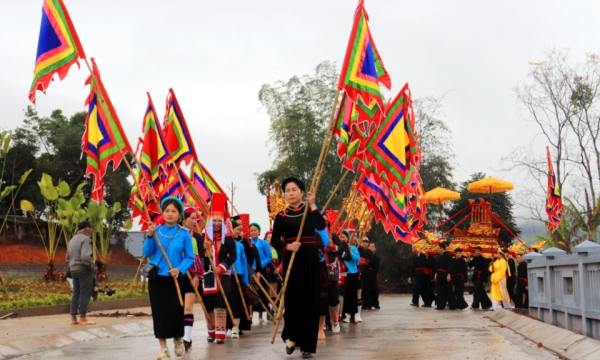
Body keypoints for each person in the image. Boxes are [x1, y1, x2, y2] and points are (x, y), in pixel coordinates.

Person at [271, 177, 326, 359]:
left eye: (294, 189)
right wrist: (287, 247)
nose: (291, 193)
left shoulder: (309, 210)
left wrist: (313, 205)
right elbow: (274, 241)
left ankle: (308, 345)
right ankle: (292, 337)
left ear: (302, 192)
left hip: (309, 256)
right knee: (293, 298)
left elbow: (321, 225)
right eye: (287, 190)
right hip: (291, 258)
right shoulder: (281, 216)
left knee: (309, 298)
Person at [143, 197, 195, 360]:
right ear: (162, 213)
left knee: (175, 312)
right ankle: (163, 348)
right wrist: (150, 236)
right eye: (167, 211)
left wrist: (179, 269)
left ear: (179, 215)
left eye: (174, 211)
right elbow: (147, 252)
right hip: (157, 279)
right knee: (159, 313)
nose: (170, 214)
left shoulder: (184, 234)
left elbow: (189, 257)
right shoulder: (156, 231)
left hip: (175, 279)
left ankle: (178, 339)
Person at [201, 193, 237, 344]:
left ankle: (220, 333)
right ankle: (211, 331)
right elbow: (196, 255)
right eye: (213, 221)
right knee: (208, 301)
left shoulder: (227, 237)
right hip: (207, 274)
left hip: (223, 274)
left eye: (218, 221)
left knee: (220, 300)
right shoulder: (204, 236)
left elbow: (233, 255)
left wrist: (222, 267)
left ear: (223, 222)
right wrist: (204, 250)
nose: (216, 223)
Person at [180, 208, 204, 351]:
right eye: (192, 218)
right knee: (178, 308)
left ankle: (187, 338)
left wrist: (196, 276)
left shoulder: (198, 238)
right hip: (177, 275)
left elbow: (201, 259)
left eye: (196, 219)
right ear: (184, 219)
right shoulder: (177, 234)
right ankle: (180, 335)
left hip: (192, 276)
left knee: (188, 307)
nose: (195, 221)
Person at [67, 220, 97, 326]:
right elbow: (85, 257)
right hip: (83, 269)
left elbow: (67, 257)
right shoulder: (86, 239)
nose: (92, 230)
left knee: (76, 292)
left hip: (73, 269)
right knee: (85, 293)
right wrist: (91, 266)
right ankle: (83, 318)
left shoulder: (72, 240)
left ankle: (73, 318)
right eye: (90, 228)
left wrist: (72, 265)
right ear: (86, 229)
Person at [227, 221, 248, 339]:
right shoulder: (222, 245)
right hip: (224, 275)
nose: (239, 232)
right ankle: (223, 328)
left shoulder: (239, 245)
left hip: (237, 275)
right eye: (237, 229)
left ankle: (236, 327)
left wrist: (245, 279)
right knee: (224, 302)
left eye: (240, 230)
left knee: (235, 302)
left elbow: (244, 263)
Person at [249, 222, 272, 322]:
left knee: (262, 291)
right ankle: (251, 313)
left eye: (255, 230)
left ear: (259, 232)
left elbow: (269, 257)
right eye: (251, 231)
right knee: (251, 291)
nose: (253, 232)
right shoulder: (247, 243)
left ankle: (263, 312)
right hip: (250, 270)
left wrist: (259, 265)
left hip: (262, 270)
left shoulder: (264, 243)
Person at [340, 230, 360, 325]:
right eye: (341, 237)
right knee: (342, 295)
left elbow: (357, 259)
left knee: (352, 296)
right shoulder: (338, 248)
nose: (342, 238)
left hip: (352, 274)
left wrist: (350, 252)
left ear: (348, 238)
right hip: (341, 274)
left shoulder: (353, 248)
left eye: (344, 237)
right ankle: (342, 314)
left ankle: (352, 316)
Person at [434, 242, 456, 310]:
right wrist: (435, 274)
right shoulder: (439, 256)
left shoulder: (448, 255)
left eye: (438, 248)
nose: (437, 249)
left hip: (446, 275)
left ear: (442, 248)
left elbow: (450, 266)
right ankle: (440, 305)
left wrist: (449, 274)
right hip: (440, 275)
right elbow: (437, 266)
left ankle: (453, 305)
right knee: (440, 291)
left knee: (448, 291)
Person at [359, 238, 372, 313]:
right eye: (363, 241)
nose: (365, 243)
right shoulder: (359, 249)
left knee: (366, 289)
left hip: (367, 272)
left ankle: (367, 304)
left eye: (366, 242)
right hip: (360, 271)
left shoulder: (369, 252)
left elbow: (369, 262)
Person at [366, 242, 380, 310]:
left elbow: (377, 267)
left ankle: (375, 303)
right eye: (370, 246)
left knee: (375, 289)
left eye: (372, 246)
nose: (371, 248)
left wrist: (373, 272)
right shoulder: (366, 255)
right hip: (366, 273)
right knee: (367, 289)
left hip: (373, 274)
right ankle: (368, 304)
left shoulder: (376, 257)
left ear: (375, 248)